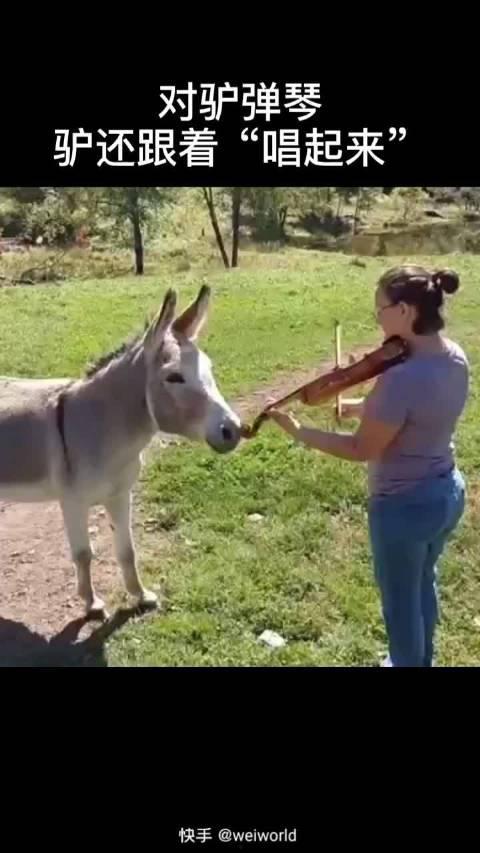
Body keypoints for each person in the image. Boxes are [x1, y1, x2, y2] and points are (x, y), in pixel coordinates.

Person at [267, 265, 469, 667]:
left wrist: (300, 431)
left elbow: (362, 448)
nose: (377, 320)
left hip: (404, 508)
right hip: (446, 493)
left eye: (380, 310)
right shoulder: (453, 357)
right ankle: (421, 659)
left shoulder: (401, 379)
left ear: (405, 311)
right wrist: (362, 406)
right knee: (421, 585)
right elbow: (418, 411)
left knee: (400, 607)